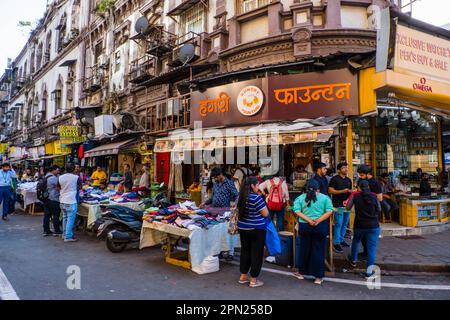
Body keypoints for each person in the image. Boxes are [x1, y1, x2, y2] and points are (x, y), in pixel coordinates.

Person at [292, 179, 333, 285]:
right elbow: (329, 211)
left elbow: (297, 211)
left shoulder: (300, 198)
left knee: (304, 249)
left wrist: (309, 220)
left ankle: (301, 272)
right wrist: (317, 221)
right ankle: (318, 277)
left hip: (305, 226)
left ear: (306, 188)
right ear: (318, 189)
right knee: (319, 251)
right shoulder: (325, 198)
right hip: (320, 226)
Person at [237, 176, 270, 288]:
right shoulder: (256, 198)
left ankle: (243, 276)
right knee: (256, 254)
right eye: (257, 185)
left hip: (243, 228)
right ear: (252, 186)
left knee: (245, 251)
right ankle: (253, 280)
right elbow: (265, 214)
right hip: (256, 229)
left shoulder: (240, 197)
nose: (258, 187)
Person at [346, 179, 382, 279]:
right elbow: (379, 209)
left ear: (359, 187)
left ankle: (353, 260)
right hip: (374, 226)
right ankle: (369, 273)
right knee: (371, 250)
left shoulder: (355, 195)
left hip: (360, 225)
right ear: (368, 187)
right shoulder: (374, 196)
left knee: (356, 241)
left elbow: (348, 208)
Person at [328, 162, 353, 253]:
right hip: (338, 204)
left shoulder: (349, 180)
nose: (346, 169)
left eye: (346, 167)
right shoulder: (334, 179)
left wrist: (350, 194)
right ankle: (336, 243)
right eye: (344, 168)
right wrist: (342, 191)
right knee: (338, 223)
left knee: (345, 223)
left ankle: (342, 240)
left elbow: (350, 192)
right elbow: (330, 191)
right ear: (339, 170)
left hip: (347, 205)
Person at [59, 163, 80, 242]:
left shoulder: (60, 177)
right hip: (71, 200)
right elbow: (80, 187)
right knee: (70, 219)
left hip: (62, 200)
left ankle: (64, 234)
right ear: (74, 169)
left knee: (65, 218)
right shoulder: (76, 177)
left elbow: (58, 188)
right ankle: (68, 236)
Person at [43, 165, 62, 237]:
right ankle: (57, 230)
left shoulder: (46, 176)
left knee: (47, 215)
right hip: (53, 198)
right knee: (56, 215)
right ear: (53, 170)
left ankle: (46, 231)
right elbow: (59, 187)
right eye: (57, 170)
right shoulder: (53, 178)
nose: (58, 171)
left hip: (46, 198)